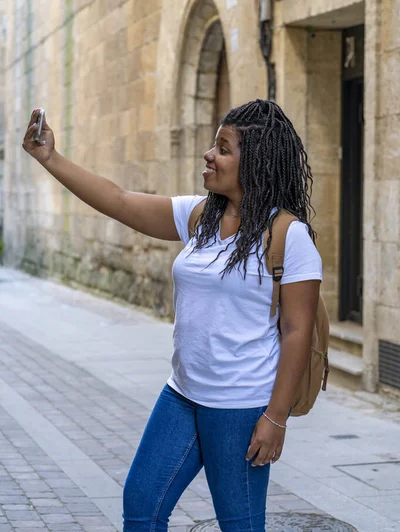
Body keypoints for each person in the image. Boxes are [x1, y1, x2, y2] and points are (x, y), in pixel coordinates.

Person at [23, 98, 322, 532]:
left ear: (254, 163)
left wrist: (275, 419)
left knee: (239, 524)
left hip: (239, 407)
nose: (209, 155)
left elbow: (297, 331)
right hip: (181, 396)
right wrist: (50, 157)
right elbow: (120, 200)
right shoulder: (200, 216)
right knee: (142, 506)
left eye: (223, 148)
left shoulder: (289, 237)